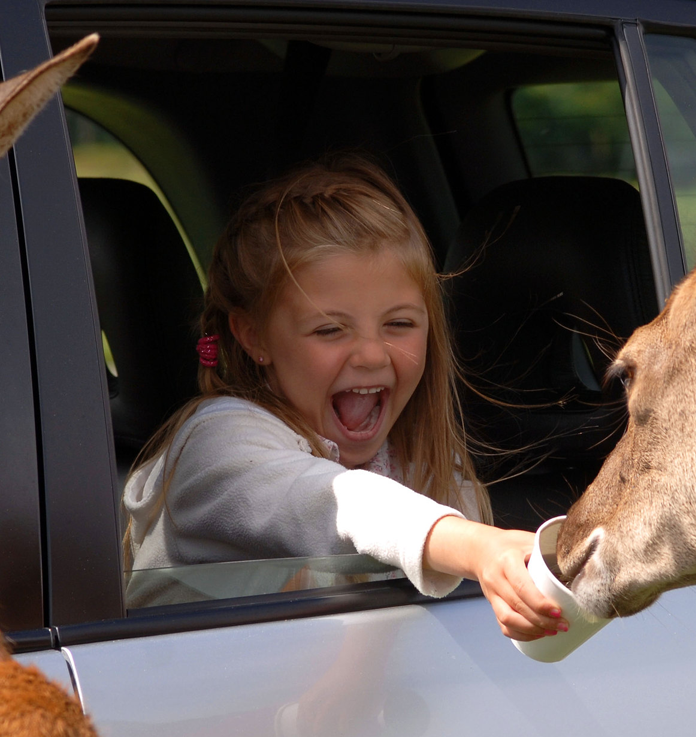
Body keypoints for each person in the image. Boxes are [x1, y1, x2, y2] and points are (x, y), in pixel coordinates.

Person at [123, 155, 567, 642]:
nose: (374, 354)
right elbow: (333, 504)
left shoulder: (422, 459)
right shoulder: (221, 446)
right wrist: (478, 545)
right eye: (330, 329)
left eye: (399, 323)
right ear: (254, 336)